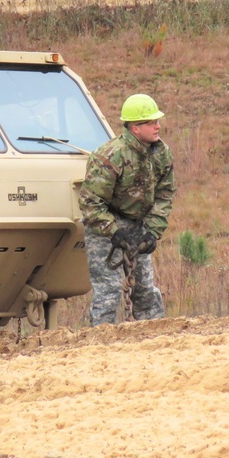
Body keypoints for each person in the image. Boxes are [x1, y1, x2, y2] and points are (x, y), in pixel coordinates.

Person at [79, 93, 176, 325]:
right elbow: (90, 203)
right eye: (151, 122)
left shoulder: (161, 153)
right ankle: (100, 344)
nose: (158, 126)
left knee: (145, 290)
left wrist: (152, 231)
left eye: (157, 121)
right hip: (106, 228)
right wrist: (113, 232)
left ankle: (154, 336)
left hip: (138, 226)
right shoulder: (109, 156)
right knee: (108, 292)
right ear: (135, 128)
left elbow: (165, 194)